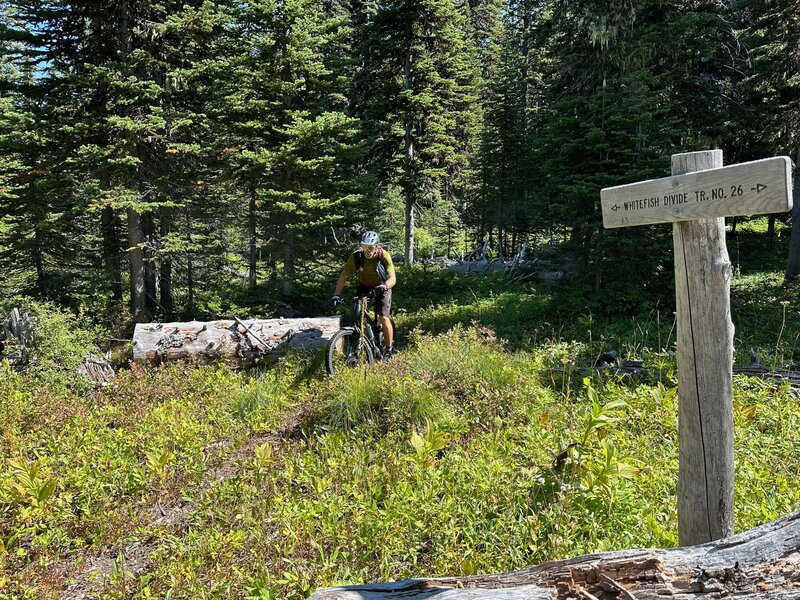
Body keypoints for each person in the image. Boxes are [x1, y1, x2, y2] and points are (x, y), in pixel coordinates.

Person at [331, 231, 396, 356]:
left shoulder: (383, 256)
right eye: (364, 247)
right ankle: (364, 343)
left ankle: (389, 349)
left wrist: (385, 286)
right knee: (359, 314)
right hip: (364, 286)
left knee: (383, 317)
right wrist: (336, 294)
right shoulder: (357, 257)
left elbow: (393, 278)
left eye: (370, 247)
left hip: (383, 286)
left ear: (377, 247)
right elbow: (344, 276)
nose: (367, 250)